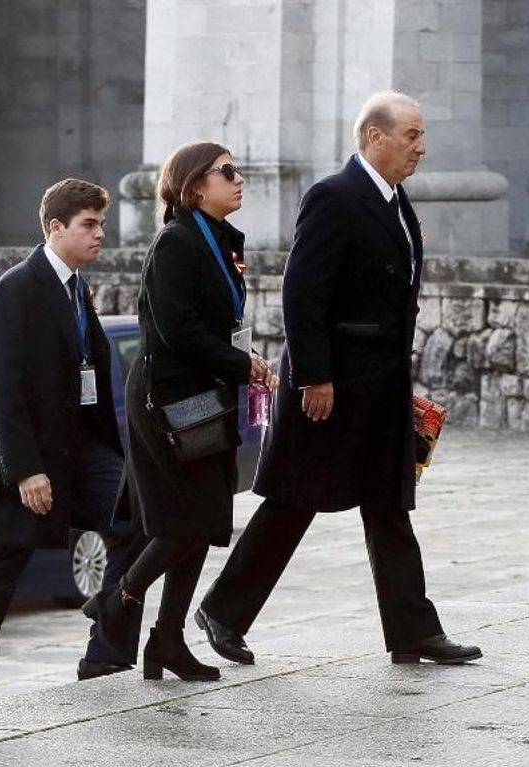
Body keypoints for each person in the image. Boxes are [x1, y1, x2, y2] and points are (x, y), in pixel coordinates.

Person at [194, 91, 482, 667]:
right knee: (292, 502)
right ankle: (222, 612)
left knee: (388, 505)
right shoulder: (334, 196)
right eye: (411, 136)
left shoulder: (397, 202)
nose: (421, 148)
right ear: (375, 137)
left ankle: (413, 632)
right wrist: (317, 377)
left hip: (382, 387)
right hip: (329, 388)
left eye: (422, 136)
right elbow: (303, 293)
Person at [0, 178, 146, 709]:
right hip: (30, 457)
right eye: (89, 225)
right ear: (56, 227)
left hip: (86, 449)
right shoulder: (16, 289)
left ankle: (106, 645)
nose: (101, 234)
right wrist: (26, 469)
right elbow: (2, 390)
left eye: (101, 223)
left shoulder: (77, 287)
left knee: (140, 522)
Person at [97, 142, 271, 681]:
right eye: (227, 172)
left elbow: (215, 325)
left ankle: (166, 641)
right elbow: (179, 331)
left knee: (205, 519)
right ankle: (119, 597)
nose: (239, 179)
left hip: (204, 393)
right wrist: (242, 366)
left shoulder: (217, 240)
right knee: (187, 519)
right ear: (197, 185)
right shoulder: (176, 244)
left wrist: (244, 359)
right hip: (170, 399)